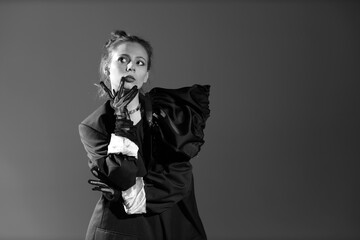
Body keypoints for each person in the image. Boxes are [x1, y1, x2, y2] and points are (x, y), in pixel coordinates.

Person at [79, 30, 210, 240]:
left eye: (140, 62)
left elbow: (180, 180)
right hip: (121, 229)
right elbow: (124, 176)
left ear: (146, 75)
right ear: (107, 68)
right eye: (123, 59)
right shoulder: (94, 126)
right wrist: (122, 121)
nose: (131, 66)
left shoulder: (171, 113)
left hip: (173, 224)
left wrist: (127, 194)